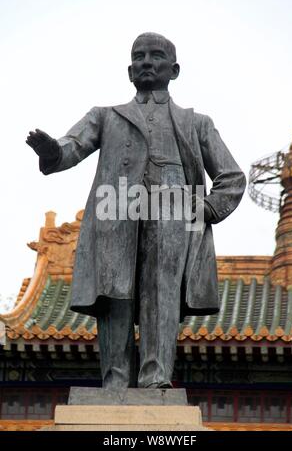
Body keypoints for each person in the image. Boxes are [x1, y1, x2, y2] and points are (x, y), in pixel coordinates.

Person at [26, 32, 246, 389]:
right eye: (139, 56)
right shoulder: (105, 116)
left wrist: (207, 208)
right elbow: (72, 146)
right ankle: (114, 381)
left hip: (173, 216)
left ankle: (155, 378)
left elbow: (232, 176)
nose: (146, 62)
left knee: (161, 293)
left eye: (156, 56)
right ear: (130, 71)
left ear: (174, 70)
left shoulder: (196, 123)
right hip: (116, 214)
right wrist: (51, 151)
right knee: (115, 294)